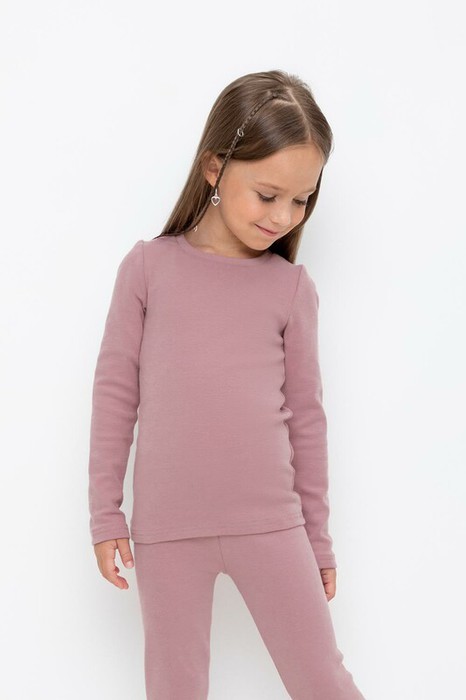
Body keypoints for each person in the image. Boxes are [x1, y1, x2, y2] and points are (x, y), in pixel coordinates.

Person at [88, 69, 366, 700]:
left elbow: (307, 420)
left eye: (301, 201)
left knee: (322, 679)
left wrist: (318, 540)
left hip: (272, 524)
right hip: (166, 529)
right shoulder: (148, 269)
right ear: (214, 168)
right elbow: (115, 397)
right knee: (174, 687)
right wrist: (105, 515)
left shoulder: (290, 289)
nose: (283, 217)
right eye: (268, 195)